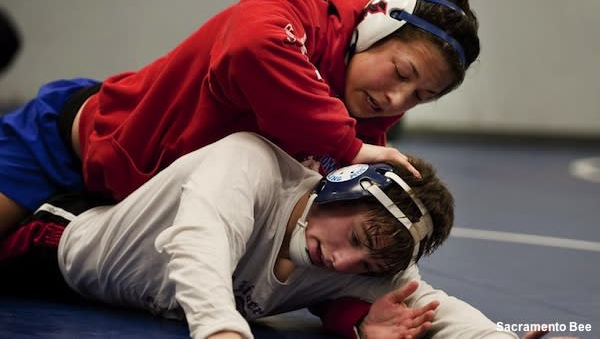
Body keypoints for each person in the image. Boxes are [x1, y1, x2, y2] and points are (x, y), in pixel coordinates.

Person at [0, 0, 480, 239]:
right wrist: (346, 145)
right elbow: (252, 47)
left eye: (421, 96)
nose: (396, 99)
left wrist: (362, 316)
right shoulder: (290, 10)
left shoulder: (366, 124)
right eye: (401, 73)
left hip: (132, 215)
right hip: (62, 147)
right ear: (375, 26)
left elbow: (333, 235)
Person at [0, 132, 546, 339]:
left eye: (367, 263)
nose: (343, 262)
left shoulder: (368, 261)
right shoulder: (253, 164)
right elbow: (199, 238)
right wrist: (222, 331)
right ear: (344, 188)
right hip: (53, 243)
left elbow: (433, 305)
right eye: (355, 235)